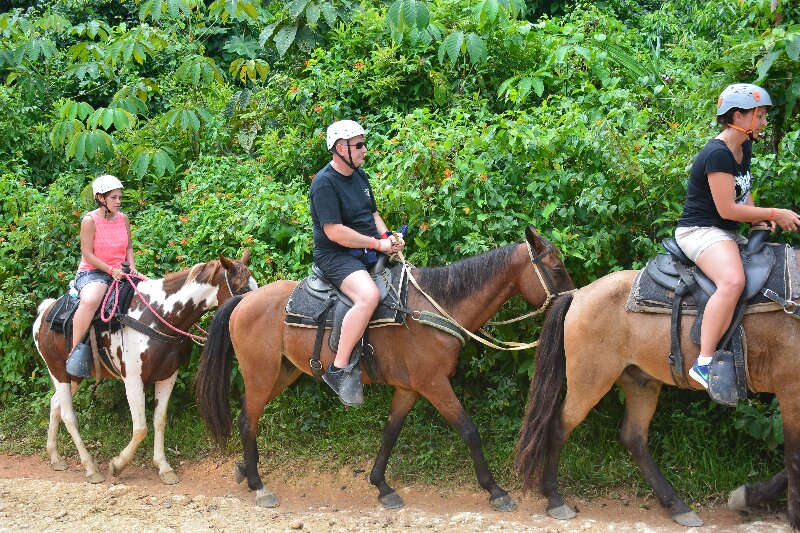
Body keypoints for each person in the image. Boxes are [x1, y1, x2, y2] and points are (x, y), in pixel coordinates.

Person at [675, 83, 800, 389]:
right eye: (760, 116)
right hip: (700, 230)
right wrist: (774, 214)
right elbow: (728, 209)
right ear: (738, 117)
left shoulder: (744, 147)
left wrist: (757, 218)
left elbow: (743, 192)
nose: (764, 122)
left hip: (724, 230)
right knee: (733, 281)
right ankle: (704, 363)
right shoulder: (717, 154)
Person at [309, 120, 404, 405]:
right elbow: (334, 232)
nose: (365, 149)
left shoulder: (359, 175)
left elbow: (372, 215)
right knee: (368, 296)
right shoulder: (324, 183)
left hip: (366, 249)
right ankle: (338, 369)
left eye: (364, 144)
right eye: (359, 145)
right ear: (341, 149)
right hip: (335, 255)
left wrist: (389, 238)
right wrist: (377, 244)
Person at [67, 174, 138, 376]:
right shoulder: (89, 221)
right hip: (94, 272)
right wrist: (110, 270)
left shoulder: (123, 219)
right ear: (100, 198)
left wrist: (132, 267)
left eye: (120, 197)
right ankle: (75, 352)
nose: (118, 201)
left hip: (121, 271)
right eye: (114, 197)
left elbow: (129, 247)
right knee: (91, 300)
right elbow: (87, 254)